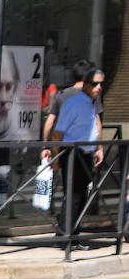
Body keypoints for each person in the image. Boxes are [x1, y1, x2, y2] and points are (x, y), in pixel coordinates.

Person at [49, 69, 105, 248]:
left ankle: (73, 236)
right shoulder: (72, 103)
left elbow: (94, 127)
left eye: (101, 84)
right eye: (95, 84)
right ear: (86, 84)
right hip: (72, 154)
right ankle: (65, 239)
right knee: (73, 196)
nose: (99, 87)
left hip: (86, 154)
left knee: (82, 196)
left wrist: (98, 148)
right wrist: (56, 157)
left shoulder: (91, 103)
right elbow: (58, 133)